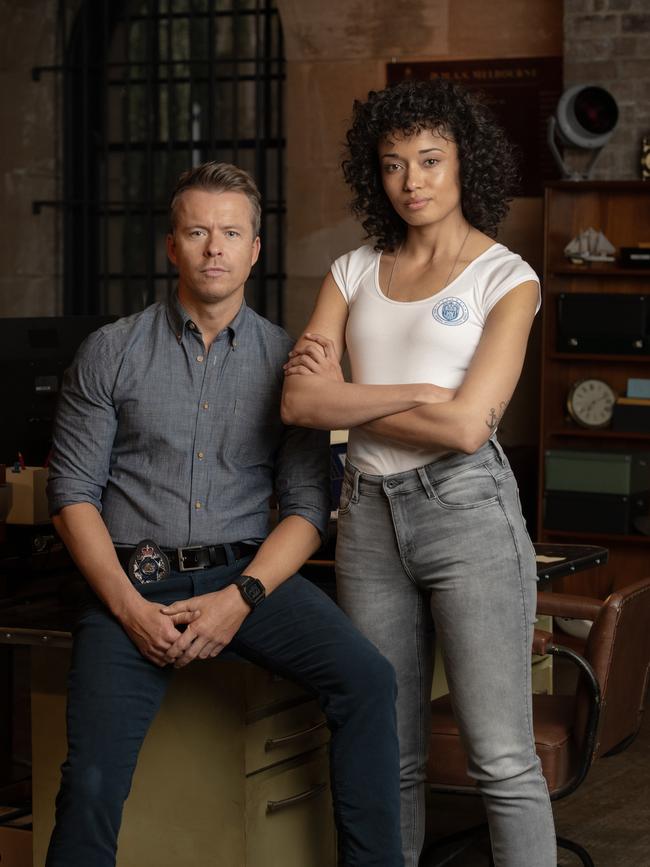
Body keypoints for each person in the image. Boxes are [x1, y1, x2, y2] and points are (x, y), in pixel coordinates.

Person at [45, 161, 404, 867]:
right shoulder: (110, 351)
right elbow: (72, 494)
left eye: (231, 232)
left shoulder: (289, 363)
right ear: (172, 246)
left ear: (255, 249)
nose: (215, 247)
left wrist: (241, 598)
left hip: (248, 577)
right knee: (88, 781)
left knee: (369, 679)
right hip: (131, 581)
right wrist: (128, 608)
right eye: (199, 231)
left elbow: (307, 509)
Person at [281, 79, 557, 867]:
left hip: (467, 512)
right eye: (395, 164)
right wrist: (415, 394)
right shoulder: (352, 270)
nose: (413, 182)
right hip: (366, 515)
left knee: (500, 757)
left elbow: (470, 426)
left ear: (467, 162)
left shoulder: (507, 279)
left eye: (430, 160)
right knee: (386, 754)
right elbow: (298, 401)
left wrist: (345, 398)